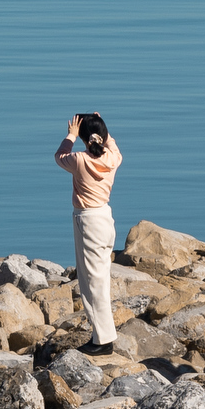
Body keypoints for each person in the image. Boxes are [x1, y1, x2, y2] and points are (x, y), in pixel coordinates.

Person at [55, 113, 121, 349]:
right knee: (100, 278)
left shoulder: (79, 160)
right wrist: (102, 128)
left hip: (88, 221)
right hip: (105, 217)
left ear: (84, 139)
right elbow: (110, 143)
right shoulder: (113, 158)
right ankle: (102, 336)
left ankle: (103, 340)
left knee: (92, 282)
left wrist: (71, 136)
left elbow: (59, 156)